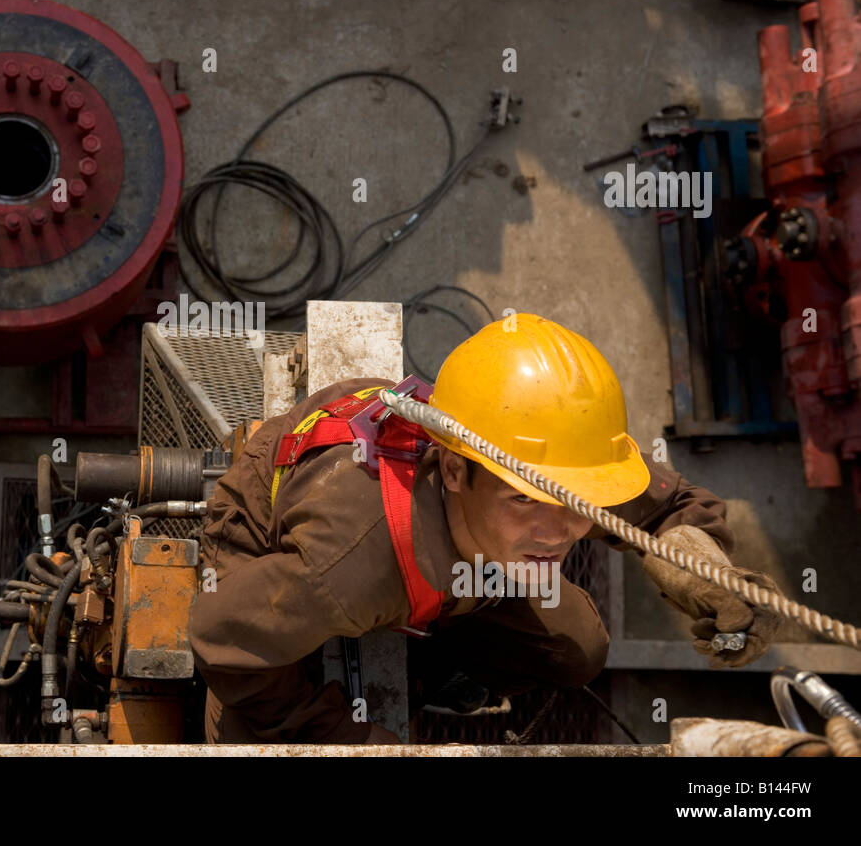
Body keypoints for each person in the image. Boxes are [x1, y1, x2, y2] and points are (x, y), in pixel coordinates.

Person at [189, 312, 783, 743]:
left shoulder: (538, 464)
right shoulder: (346, 563)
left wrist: (706, 573)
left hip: (444, 560)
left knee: (576, 645)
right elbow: (223, 643)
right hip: (281, 541)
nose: (560, 532)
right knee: (246, 730)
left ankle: (426, 674)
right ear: (453, 468)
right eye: (526, 502)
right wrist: (358, 740)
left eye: (580, 501)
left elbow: (669, 504)